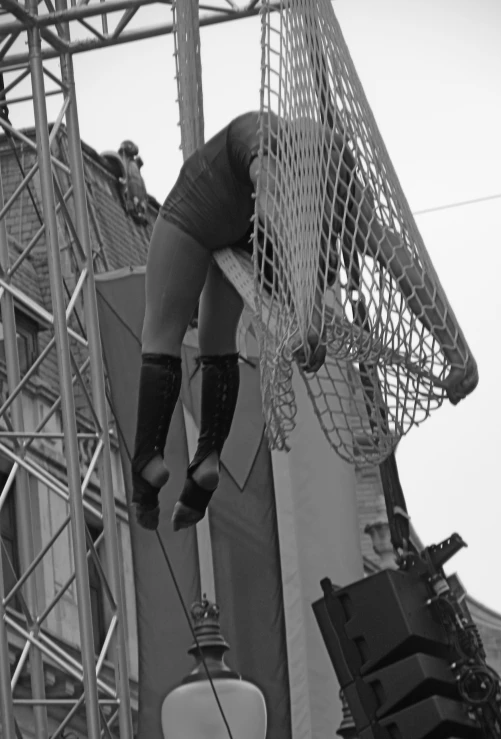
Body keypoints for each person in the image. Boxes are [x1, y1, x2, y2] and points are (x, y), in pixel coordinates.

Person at [131, 111, 478, 533]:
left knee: (161, 333)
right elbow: (389, 253)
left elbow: (284, 213)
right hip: (279, 186)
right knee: (217, 341)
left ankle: (148, 457)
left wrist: (307, 317)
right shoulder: (308, 186)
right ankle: (205, 459)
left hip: (211, 206)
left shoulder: (271, 158)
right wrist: (455, 347)